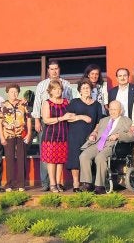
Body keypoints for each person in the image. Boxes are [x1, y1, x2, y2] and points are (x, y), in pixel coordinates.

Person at [32, 61, 76, 191]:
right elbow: (37, 104)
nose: (54, 71)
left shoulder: (67, 84)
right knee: (47, 156)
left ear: (59, 69)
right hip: (48, 126)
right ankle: (47, 184)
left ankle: (57, 183)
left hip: (63, 128)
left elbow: (70, 103)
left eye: (56, 69)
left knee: (60, 157)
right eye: (51, 69)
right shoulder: (41, 85)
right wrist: (37, 121)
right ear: (48, 71)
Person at [79, 100, 134, 194]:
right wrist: (93, 134)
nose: (112, 111)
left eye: (115, 109)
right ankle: (87, 184)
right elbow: (96, 131)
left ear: (120, 110)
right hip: (97, 144)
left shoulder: (126, 121)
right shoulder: (103, 120)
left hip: (112, 146)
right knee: (84, 155)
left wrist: (118, 136)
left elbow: (132, 136)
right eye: (111, 109)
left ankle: (100, 186)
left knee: (100, 157)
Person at [66, 79, 101, 192]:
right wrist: (81, 117)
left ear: (91, 90)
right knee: (75, 159)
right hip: (75, 134)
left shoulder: (97, 105)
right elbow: (68, 117)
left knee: (89, 158)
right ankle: (76, 184)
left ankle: (88, 183)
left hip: (90, 136)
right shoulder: (74, 102)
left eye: (88, 88)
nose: (86, 90)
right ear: (80, 91)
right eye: (84, 88)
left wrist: (95, 132)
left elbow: (99, 122)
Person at [41, 79, 74, 193]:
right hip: (51, 136)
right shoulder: (47, 103)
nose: (58, 91)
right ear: (50, 90)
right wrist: (61, 118)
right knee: (51, 161)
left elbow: (71, 116)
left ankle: (59, 183)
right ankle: (52, 184)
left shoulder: (66, 102)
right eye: (55, 89)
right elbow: (46, 120)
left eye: (59, 89)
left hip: (64, 134)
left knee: (61, 160)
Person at [0, 84, 32, 192]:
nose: (14, 94)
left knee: (22, 158)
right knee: (9, 159)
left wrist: (29, 133)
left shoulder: (23, 104)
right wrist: (1, 137)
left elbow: (29, 119)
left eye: (16, 92)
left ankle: (21, 184)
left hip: (21, 134)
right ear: (7, 93)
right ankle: (9, 184)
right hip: (8, 135)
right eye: (12, 92)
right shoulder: (3, 105)